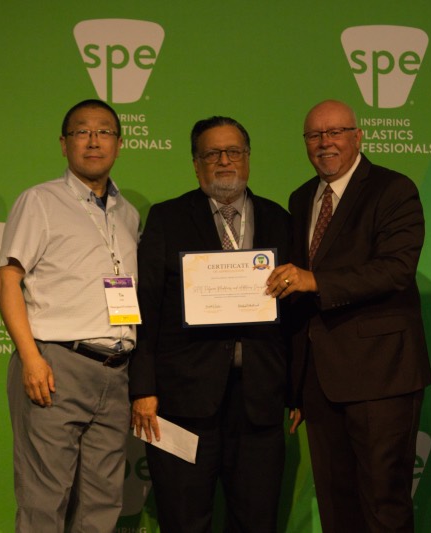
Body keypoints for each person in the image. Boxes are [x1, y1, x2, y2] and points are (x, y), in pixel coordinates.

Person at [266, 100, 431, 532]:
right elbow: (298, 300)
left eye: (335, 132)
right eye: (314, 135)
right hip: (321, 383)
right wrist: (297, 386)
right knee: (335, 506)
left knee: (383, 504)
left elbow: (395, 269)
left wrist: (316, 280)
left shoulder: (393, 190)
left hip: (381, 377)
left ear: (358, 136)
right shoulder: (302, 197)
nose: (325, 142)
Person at [130, 116, 292, 532]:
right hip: (182, 400)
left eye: (233, 151)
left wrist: (297, 389)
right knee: (183, 519)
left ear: (248, 158)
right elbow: (145, 306)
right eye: (212, 153)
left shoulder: (279, 219)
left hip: (259, 399)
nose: (224, 161)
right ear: (195, 164)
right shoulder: (167, 218)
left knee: (257, 521)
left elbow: (297, 314)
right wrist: (143, 387)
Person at [0, 99, 140, 532]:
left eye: (104, 132)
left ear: (119, 143)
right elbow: (6, 280)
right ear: (64, 144)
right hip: (56, 365)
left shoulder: (128, 213)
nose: (94, 141)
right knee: (44, 501)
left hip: (116, 371)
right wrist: (31, 357)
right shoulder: (40, 201)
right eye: (82, 132)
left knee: (102, 505)